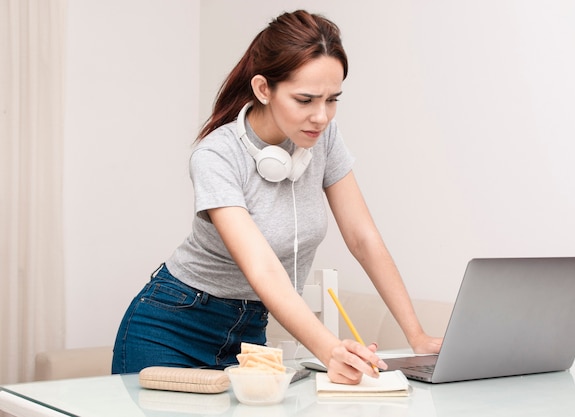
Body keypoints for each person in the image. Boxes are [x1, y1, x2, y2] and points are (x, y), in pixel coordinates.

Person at [112, 9, 441, 384]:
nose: (321, 116)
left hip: (249, 335)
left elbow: (363, 239)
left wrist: (416, 335)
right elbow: (262, 268)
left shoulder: (323, 140)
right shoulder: (216, 156)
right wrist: (330, 349)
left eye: (332, 99)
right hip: (172, 328)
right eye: (305, 100)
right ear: (263, 89)